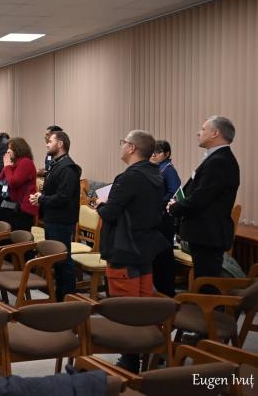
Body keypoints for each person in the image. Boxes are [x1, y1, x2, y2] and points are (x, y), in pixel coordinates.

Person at [96, 130, 167, 373]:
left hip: (124, 248)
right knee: (144, 305)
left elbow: (110, 213)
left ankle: (130, 359)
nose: (121, 146)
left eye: (123, 142)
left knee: (125, 307)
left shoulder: (128, 178)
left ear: (132, 148)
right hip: (144, 248)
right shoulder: (156, 175)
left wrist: (100, 205)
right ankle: (151, 352)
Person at [168, 116, 240, 281]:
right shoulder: (216, 158)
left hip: (208, 233)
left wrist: (174, 208)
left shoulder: (219, 161)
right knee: (204, 279)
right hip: (204, 232)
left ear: (215, 133)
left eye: (202, 129)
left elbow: (199, 198)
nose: (198, 133)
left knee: (207, 283)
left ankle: (207, 300)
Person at [29, 131, 79, 301]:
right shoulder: (57, 164)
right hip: (52, 217)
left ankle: (68, 297)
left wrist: (42, 199)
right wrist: (41, 196)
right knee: (56, 259)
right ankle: (59, 296)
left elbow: (63, 197)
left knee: (63, 259)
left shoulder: (68, 167)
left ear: (60, 144)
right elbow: (54, 190)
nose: (47, 144)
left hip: (61, 220)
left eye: (50, 141)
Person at [150, 140, 181, 297]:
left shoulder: (168, 170)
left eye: (158, 151)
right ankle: (159, 290)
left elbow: (174, 191)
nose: (154, 154)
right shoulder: (157, 168)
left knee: (165, 256)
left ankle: (168, 291)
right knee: (156, 256)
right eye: (153, 151)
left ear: (167, 154)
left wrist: (158, 203)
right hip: (156, 218)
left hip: (165, 219)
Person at [0, 137, 38, 232]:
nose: (8, 151)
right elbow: (1, 179)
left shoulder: (26, 162)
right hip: (13, 206)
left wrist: (7, 167)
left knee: (19, 236)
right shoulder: (15, 163)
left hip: (22, 208)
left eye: (10, 148)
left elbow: (14, 182)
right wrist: (7, 166)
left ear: (18, 149)